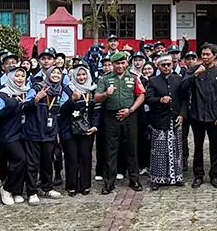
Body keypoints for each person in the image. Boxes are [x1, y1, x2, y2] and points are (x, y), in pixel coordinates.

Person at [95, 52, 144, 193]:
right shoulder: (105, 79)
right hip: (111, 117)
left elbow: (141, 95)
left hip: (129, 116)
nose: (120, 66)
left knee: (132, 149)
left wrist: (131, 110)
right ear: (113, 64)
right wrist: (106, 94)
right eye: (117, 63)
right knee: (111, 150)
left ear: (127, 63)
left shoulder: (134, 78)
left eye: (123, 63)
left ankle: (134, 180)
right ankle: (109, 183)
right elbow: (96, 98)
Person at [182, 44, 217, 188]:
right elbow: (183, 87)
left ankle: (214, 175)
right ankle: (198, 175)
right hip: (197, 115)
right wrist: (195, 74)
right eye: (203, 54)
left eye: (208, 54)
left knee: (214, 146)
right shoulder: (193, 70)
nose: (205, 57)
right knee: (198, 146)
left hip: (214, 116)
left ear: (214, 55)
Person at [26, 66, 68, 202]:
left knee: (47, 162)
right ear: (48, 74)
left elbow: (58, 114)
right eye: (53, 73)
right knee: (33, 164)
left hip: (49, 133)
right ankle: (32, 192)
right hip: (34, 132)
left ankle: (47, 188)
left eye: (58, 73)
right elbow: (25, 108)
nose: (56, 75)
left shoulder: (60, 92)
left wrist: (56, 132)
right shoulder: (37, 88)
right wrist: (36, 99)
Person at [143, 56, 183, 190]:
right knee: (159, 151)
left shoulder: (178, 79)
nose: (166, 67)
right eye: (163, 65)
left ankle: (176, 177)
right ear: (158, 67)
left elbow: (184, 99)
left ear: (172, 65)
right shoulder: (153, 81)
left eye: (168, 64)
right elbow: (148, 99)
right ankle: (157, 179)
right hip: (159, 120)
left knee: (176, 149)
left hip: (175, 119)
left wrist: (182, 114)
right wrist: (160, 100)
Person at [62, 65, 102, 195]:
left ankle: (85, 185)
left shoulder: (92, 90)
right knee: (72, 158)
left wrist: (95, 126)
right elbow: (62, 111)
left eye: (84, 74)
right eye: (78, 75)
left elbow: (97, 111)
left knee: (85, 157)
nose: (81, 77)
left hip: (87, 129)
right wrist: (72, 100)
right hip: (70, 129)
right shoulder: (68, 89)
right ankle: (72, 185)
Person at [0, 67, 31, 205]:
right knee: (19, 159)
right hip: (8, 134)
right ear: (10, 77)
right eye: (17, 76)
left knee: (25, 161)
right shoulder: (3, 94)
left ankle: (17, 191)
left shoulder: (26, 91)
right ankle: (7, 188)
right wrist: (8, 107)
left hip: (23, 133)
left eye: (22, 76)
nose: (20, 78)